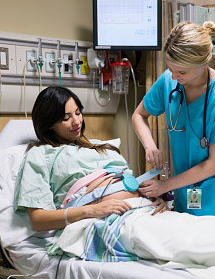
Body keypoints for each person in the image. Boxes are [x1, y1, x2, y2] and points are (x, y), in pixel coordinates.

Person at [132, 21, 215, 227]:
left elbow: (214, 164)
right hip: (186, 199)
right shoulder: (169, 80)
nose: (174, 77)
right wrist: (150, 146)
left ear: (203, 63)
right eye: (170, 68)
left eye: (182, 72)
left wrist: (164, 185)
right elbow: (139, 115)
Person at [14, 86, 167, 232]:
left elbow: (132, 182)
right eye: (66, 118)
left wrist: (153, 197)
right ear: (49, 124)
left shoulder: (101, 147)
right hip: (101, 220)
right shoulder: (40, 154)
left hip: (143, 208)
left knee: (185, 231)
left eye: (78, 112)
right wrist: (91, 210)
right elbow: (38, 220)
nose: (76, 121)